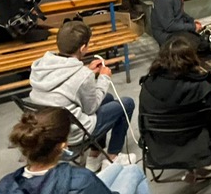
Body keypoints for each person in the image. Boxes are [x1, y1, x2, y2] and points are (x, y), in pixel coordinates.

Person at [0, 107, 158, 194]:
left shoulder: (6, 187)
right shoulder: (81, 180)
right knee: (132, 170)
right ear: (63, 145)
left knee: (118, 168)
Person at [29, 21, 136, 171]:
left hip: (50, 128)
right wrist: (104, 78)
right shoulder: (82, 75)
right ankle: (112, 157)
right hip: (74, 133)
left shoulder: (40, 66)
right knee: (127, 103)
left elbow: (65, 84)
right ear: (83, 47)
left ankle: (94, 155)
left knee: (107, 98)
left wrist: (88, 72)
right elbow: (91, 108)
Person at [139, 36, 211, 180]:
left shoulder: (147, 85)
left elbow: (142, 124)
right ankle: (199, 168)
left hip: (159, 149)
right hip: (199, 150)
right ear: (191, 59)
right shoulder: (202, 87)